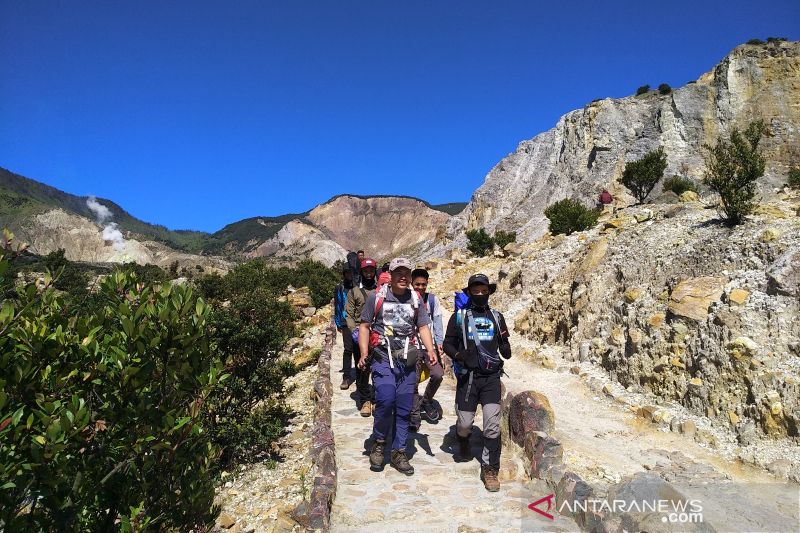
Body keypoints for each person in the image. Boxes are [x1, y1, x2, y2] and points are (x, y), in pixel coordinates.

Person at [357, 258, 438, 475]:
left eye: (406, 273)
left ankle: (399, 451)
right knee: (384, 399)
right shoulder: (377, 297)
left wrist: (430, 350)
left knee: (404, 407)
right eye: (398, 272)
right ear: (390, 275)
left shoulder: (415, 298)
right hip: (383, 357)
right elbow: (364, 326)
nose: (403, 277)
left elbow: (422, 325)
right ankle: (379, 442)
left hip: (408, 360)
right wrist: (364, 353)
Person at [442, 273, 511, 492]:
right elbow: (447, 344)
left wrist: (506, 348)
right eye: (476, 291)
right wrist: (459, 355)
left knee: (491, 426)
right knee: (464, 425)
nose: (480, 295)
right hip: (468, 379)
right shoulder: (459, 317)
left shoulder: (497, 317)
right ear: (470, 292)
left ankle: (490, 469)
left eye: (484, 291)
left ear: (489, 292)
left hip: (491, 379)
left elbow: (505, 346)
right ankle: (463, 439)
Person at [409, 268, 445, 430]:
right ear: (411, 283)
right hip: (412, 346)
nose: (421, 287)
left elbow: (437, 322)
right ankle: (414, 415)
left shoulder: (432, 300)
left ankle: (426, 401)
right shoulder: (406, 299)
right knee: (413, 380)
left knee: (438, 374)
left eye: (423, 284)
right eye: (417, 284)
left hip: (429, 347)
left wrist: (439, 342)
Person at [345, 258, 378, 416]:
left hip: (378, 334)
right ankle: (365, 400)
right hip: (360, 334)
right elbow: (349, 314)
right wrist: (354, 331)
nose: (369, 274)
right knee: (362, 367)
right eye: (366, 271)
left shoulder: (382, 290)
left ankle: (378, 398)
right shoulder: (354, 292)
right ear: (362, 272)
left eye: (371, 270)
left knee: (379, 367)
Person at [334, 266, 355, 390]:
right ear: (344, 274)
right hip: (345, 321)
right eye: (347, 273)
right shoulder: (340, 287)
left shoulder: (358, 287)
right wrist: (338, 323)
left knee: (358, 349)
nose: (349, 275)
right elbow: (337, 305)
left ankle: (360, 374)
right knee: (348, 349)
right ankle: (346, 377)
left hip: (358, 321)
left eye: (351, 273)